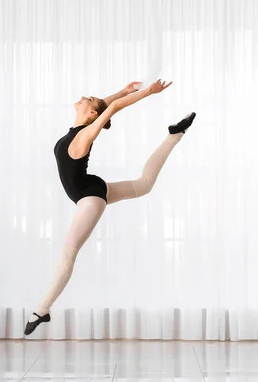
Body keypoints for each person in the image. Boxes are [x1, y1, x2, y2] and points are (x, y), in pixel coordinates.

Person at [24, 79, 196, 335]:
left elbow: (110, 108)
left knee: (68, 254)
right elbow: (105, 106)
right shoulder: (77, 131)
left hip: (89, 198)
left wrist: (148, 92)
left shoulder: (83, 135)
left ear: (92, 114)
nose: (84, 96)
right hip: (90, 189)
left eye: (89, 99)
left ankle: (42, 310)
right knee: (143, 185)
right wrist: (123, 92)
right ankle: (174, 135)